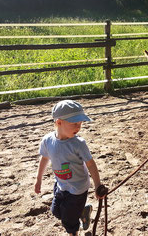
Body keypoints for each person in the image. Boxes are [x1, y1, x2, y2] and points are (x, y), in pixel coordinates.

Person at [34, 100, 106, 236]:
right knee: (56, 211)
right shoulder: (48, 141)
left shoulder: (78, 144)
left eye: (80, 123)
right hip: (61, 184)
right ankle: (82, 211)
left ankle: (74, 232)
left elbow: (90, 164)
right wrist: (38, 179)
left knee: (69, 221)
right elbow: (44, 158)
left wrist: (98, 185)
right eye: (74, 123)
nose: (78, 127)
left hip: (78, 188)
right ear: (59, 122)